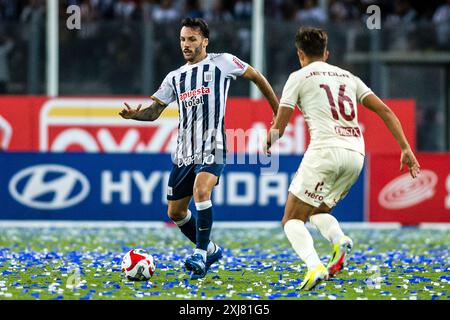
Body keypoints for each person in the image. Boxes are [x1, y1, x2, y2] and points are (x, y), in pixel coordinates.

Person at [119, 18, 279, 279]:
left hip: (213, 143)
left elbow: (256, 76)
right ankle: (210, 250)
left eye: (192, 39)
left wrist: (277, 110)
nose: (186, 44)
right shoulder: (175, 77)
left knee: (201, 190)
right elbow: (154, 112)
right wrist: (134, 115)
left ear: (205, 41)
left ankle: (200, 255)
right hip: (184, 150)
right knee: (176, 212)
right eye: (183, 39)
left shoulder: (223, 62)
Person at [264, 27, 420, 291]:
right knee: (319, 211)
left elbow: (281, 125)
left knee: (291, 219)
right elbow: (385, 110)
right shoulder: (349, 77)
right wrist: (405, 148)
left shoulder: (298, 76)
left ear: (300, 53)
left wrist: (269, 140)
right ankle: (339, 239)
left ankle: (314, 266)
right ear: (326, 53)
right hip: (356, 155)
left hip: (325, 151)